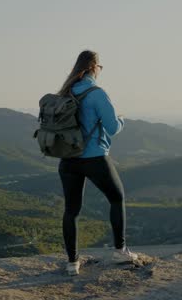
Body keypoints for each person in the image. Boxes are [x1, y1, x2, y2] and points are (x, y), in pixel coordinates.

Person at [56, 50, 138, 276]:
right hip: (94, 158)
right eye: (100, 67)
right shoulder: (97, 93)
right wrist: (122, 119)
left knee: (71, 210)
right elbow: (112, 127)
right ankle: (120, 251)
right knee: (117, 197)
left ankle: (72, 262)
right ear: (93, 67)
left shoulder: (65, 91)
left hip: (68, 160)